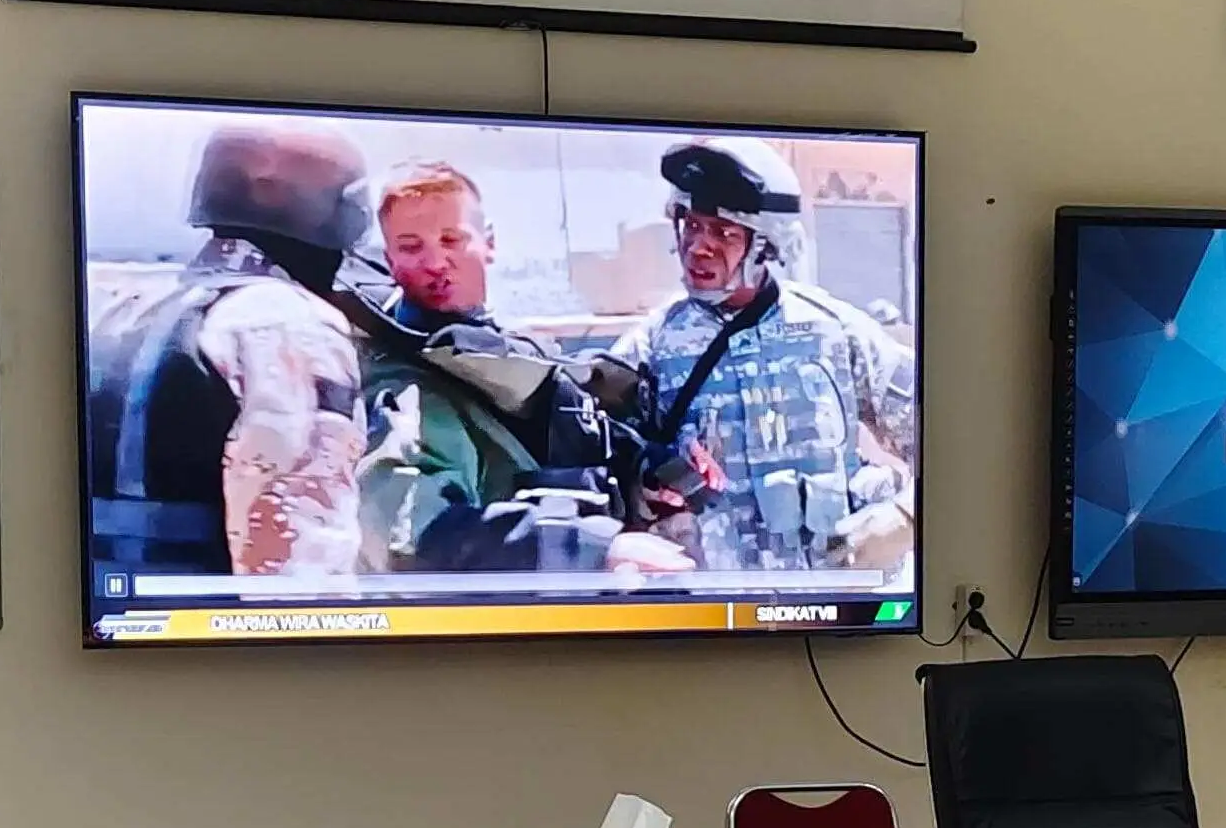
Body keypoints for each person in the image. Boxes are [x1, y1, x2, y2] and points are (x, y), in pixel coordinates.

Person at [354, 162, 690, 575]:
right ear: (389, 260)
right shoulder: (404, 385)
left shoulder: (506, 353)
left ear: (489, 242)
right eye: (410, 247)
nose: (435, 261)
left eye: (451, 239)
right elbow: (411, 531)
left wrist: (646, 483)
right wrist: (590, 548)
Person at [607, 143, 918, 575]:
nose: (698, 247)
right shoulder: (648, 348)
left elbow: (951, 443)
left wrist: (904, 519)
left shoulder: (836, 333)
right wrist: (646, 483)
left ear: (767, 245)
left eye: (724, 233)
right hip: (709, 609)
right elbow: (598, 475)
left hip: (837, 603)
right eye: (692, 225)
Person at [83, 122, 371, 578]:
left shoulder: (121, 305)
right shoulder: (287, 321)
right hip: (203, 618)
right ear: (344, 217)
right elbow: (300, 559)